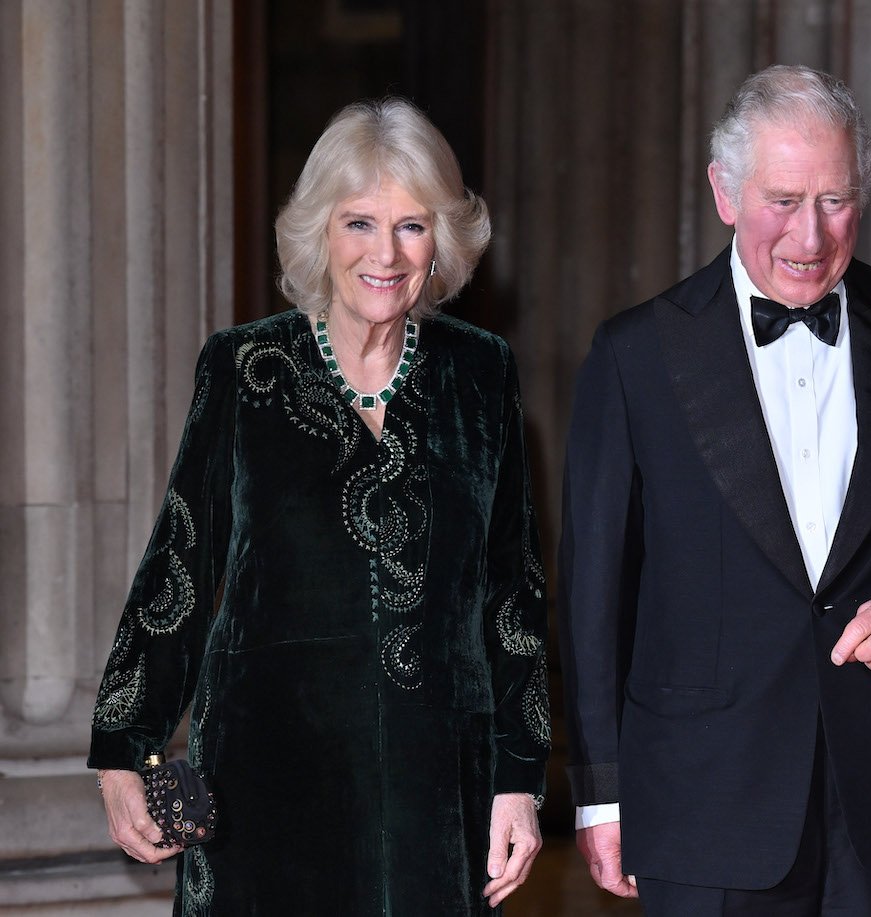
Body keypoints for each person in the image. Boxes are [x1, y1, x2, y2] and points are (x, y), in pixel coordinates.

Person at [558, 64, 871, 916]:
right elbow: (593, 594)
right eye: (783, 200)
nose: (810, 236)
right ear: (724, 192)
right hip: (704, 802)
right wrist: (602, 791)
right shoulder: (635, 355)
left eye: (835, 200)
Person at [89, 98, 549, 915]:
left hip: (433, 786)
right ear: (319, 233)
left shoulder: (480, 374)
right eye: (359, 223)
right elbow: (181, 562)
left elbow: (512, 591)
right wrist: (125, 748)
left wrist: (519, 780)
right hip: (267, 779)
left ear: (441, 239)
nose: (386, 253)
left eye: (412, 226)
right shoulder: (243, 368)